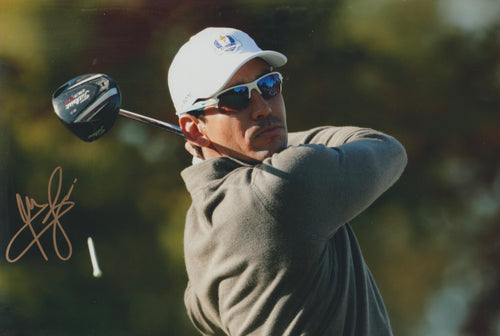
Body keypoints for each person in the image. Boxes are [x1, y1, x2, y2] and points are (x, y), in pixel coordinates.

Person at [167, 27, 407, 336]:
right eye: (235, 98)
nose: (263, 108)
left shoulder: (199, 231)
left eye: (268, 85)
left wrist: (222, 149)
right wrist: (274, 142)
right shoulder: (287, 183)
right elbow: (386, 149)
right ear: (194, 129)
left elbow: (199, 311)